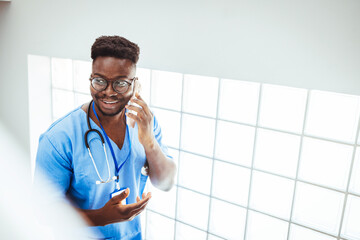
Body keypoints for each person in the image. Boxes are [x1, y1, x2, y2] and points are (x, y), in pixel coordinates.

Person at [34, 35, 177, 240]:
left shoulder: (146, 123)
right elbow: (43, 211)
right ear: (91, 78)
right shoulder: (59, 138)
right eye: (99, 81)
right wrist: (101, 217)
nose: (108, 92)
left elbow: (166, 183)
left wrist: (149, 142)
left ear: (135, 84)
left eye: (120, 83)